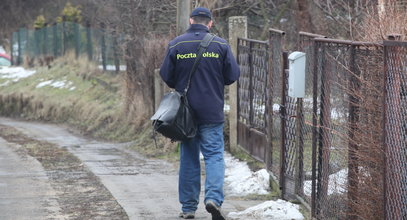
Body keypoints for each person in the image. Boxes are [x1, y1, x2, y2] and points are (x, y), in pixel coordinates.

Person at [159, 7, 240, 220]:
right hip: (212, 110)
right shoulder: (220, 45)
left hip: (184, 114)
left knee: (189, 158)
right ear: (210, 23)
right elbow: (232, 75)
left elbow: (166, 75)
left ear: (190, 20)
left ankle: (188, 208)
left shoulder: (176, 44)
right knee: (214, 156)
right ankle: (213, 198)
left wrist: (181, 84)